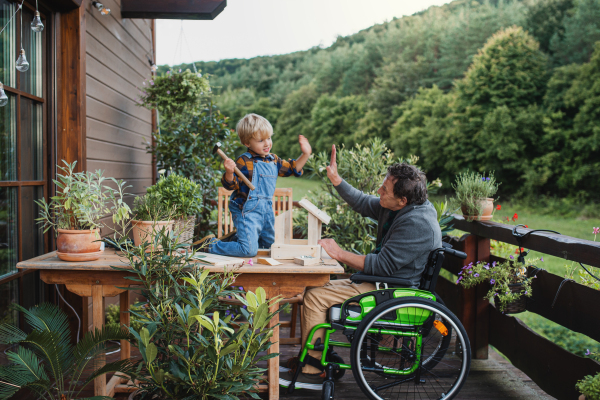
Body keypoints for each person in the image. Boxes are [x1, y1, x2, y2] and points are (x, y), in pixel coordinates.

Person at [279, 144, 442, 390]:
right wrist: (336, 180)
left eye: (384, 189)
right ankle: (319, 357)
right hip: (382, 282)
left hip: (392, 290)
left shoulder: (418, 223)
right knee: (314, 287)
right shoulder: (399, 207)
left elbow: (382, 265)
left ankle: (312, 371)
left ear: (402, 199)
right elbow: (364, 203)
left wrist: (338, 253)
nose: (379, 191)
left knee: (314, 297)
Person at [205, 113, 312, 257]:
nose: (267, 143)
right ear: (247, 143)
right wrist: (230, 172)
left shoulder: (273, 160)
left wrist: (306, 154)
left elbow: (294, 168)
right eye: (261, 140)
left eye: (269, 138)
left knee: (270, 247)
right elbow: (230, 185)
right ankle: (210, 245)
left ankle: (235, 240)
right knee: (248, 250)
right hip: (246, 211)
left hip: (266, 211)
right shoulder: (243, 161)